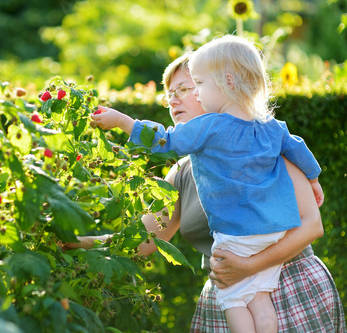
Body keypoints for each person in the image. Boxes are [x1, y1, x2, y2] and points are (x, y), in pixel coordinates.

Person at [66, 45, 346, 331]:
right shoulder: (182, 172)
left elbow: (313, 226)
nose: (174, 101)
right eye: (169, 94)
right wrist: (77, 242)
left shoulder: (264, 149)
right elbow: (145, 240)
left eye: (188, 87)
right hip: (230, 295)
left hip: (289, 288)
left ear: (226, 86)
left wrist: (249, 266)